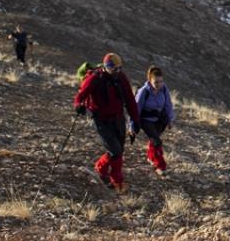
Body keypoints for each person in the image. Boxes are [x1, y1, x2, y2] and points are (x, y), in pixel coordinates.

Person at [74, 53, 140, 193]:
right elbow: (80, 96)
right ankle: (117, 182)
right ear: (106, 67)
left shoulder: (121, 78)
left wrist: (135, 121)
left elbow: (130, 100)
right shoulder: (95, 78)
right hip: (101, 120)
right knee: (116, 151)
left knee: (117, 150)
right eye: (114, 69)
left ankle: (100, 167)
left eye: (119, 68)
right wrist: (78, 106)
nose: (118, 71)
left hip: (118, 119)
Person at [129, 65, 175, 177]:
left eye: (161, 81)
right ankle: (160, 166)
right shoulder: (143, 92)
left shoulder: (164, 89)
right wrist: (132, 127)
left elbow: (168, 105)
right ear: (150, 80)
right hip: (146, 120)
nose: (159, 85)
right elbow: (136, 110)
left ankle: (150, 156)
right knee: (157, 142)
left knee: (154, 141)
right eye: (156, 82)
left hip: (159, 120)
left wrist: (170, 119)